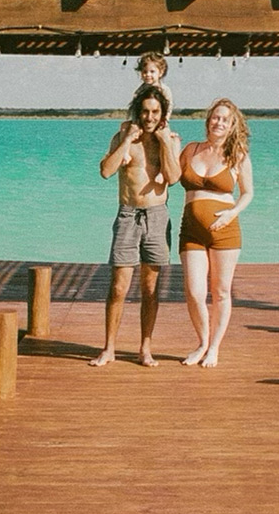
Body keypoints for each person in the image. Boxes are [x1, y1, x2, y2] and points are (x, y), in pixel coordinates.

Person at [90, 83, 181, 367]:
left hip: (157, 215)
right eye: (145, 111)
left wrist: (166, 142)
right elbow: (106, 171)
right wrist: (127, 139)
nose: (149, 117)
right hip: (128, 215)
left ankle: (145, 349)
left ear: (163, 113)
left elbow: (174, 177)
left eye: (155, 112)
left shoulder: (170, 139)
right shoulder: (123, 135)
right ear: (137, 112)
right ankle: (109, 348)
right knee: (118, 287)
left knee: (150, 288)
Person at [178, 98, 254, 367]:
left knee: (220, 291)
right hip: (191, 230)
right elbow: (169, 174)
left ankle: (214, 348)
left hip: (225, 231)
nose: (218, 122)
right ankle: (202, 342)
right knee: (194, 291)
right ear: (208, 119)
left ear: (233, 125)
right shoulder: (190, 149)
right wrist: (168, 144)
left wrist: (232, 213)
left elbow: (248, 193)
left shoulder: (238, 154)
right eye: (215, 117)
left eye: (225, 119)